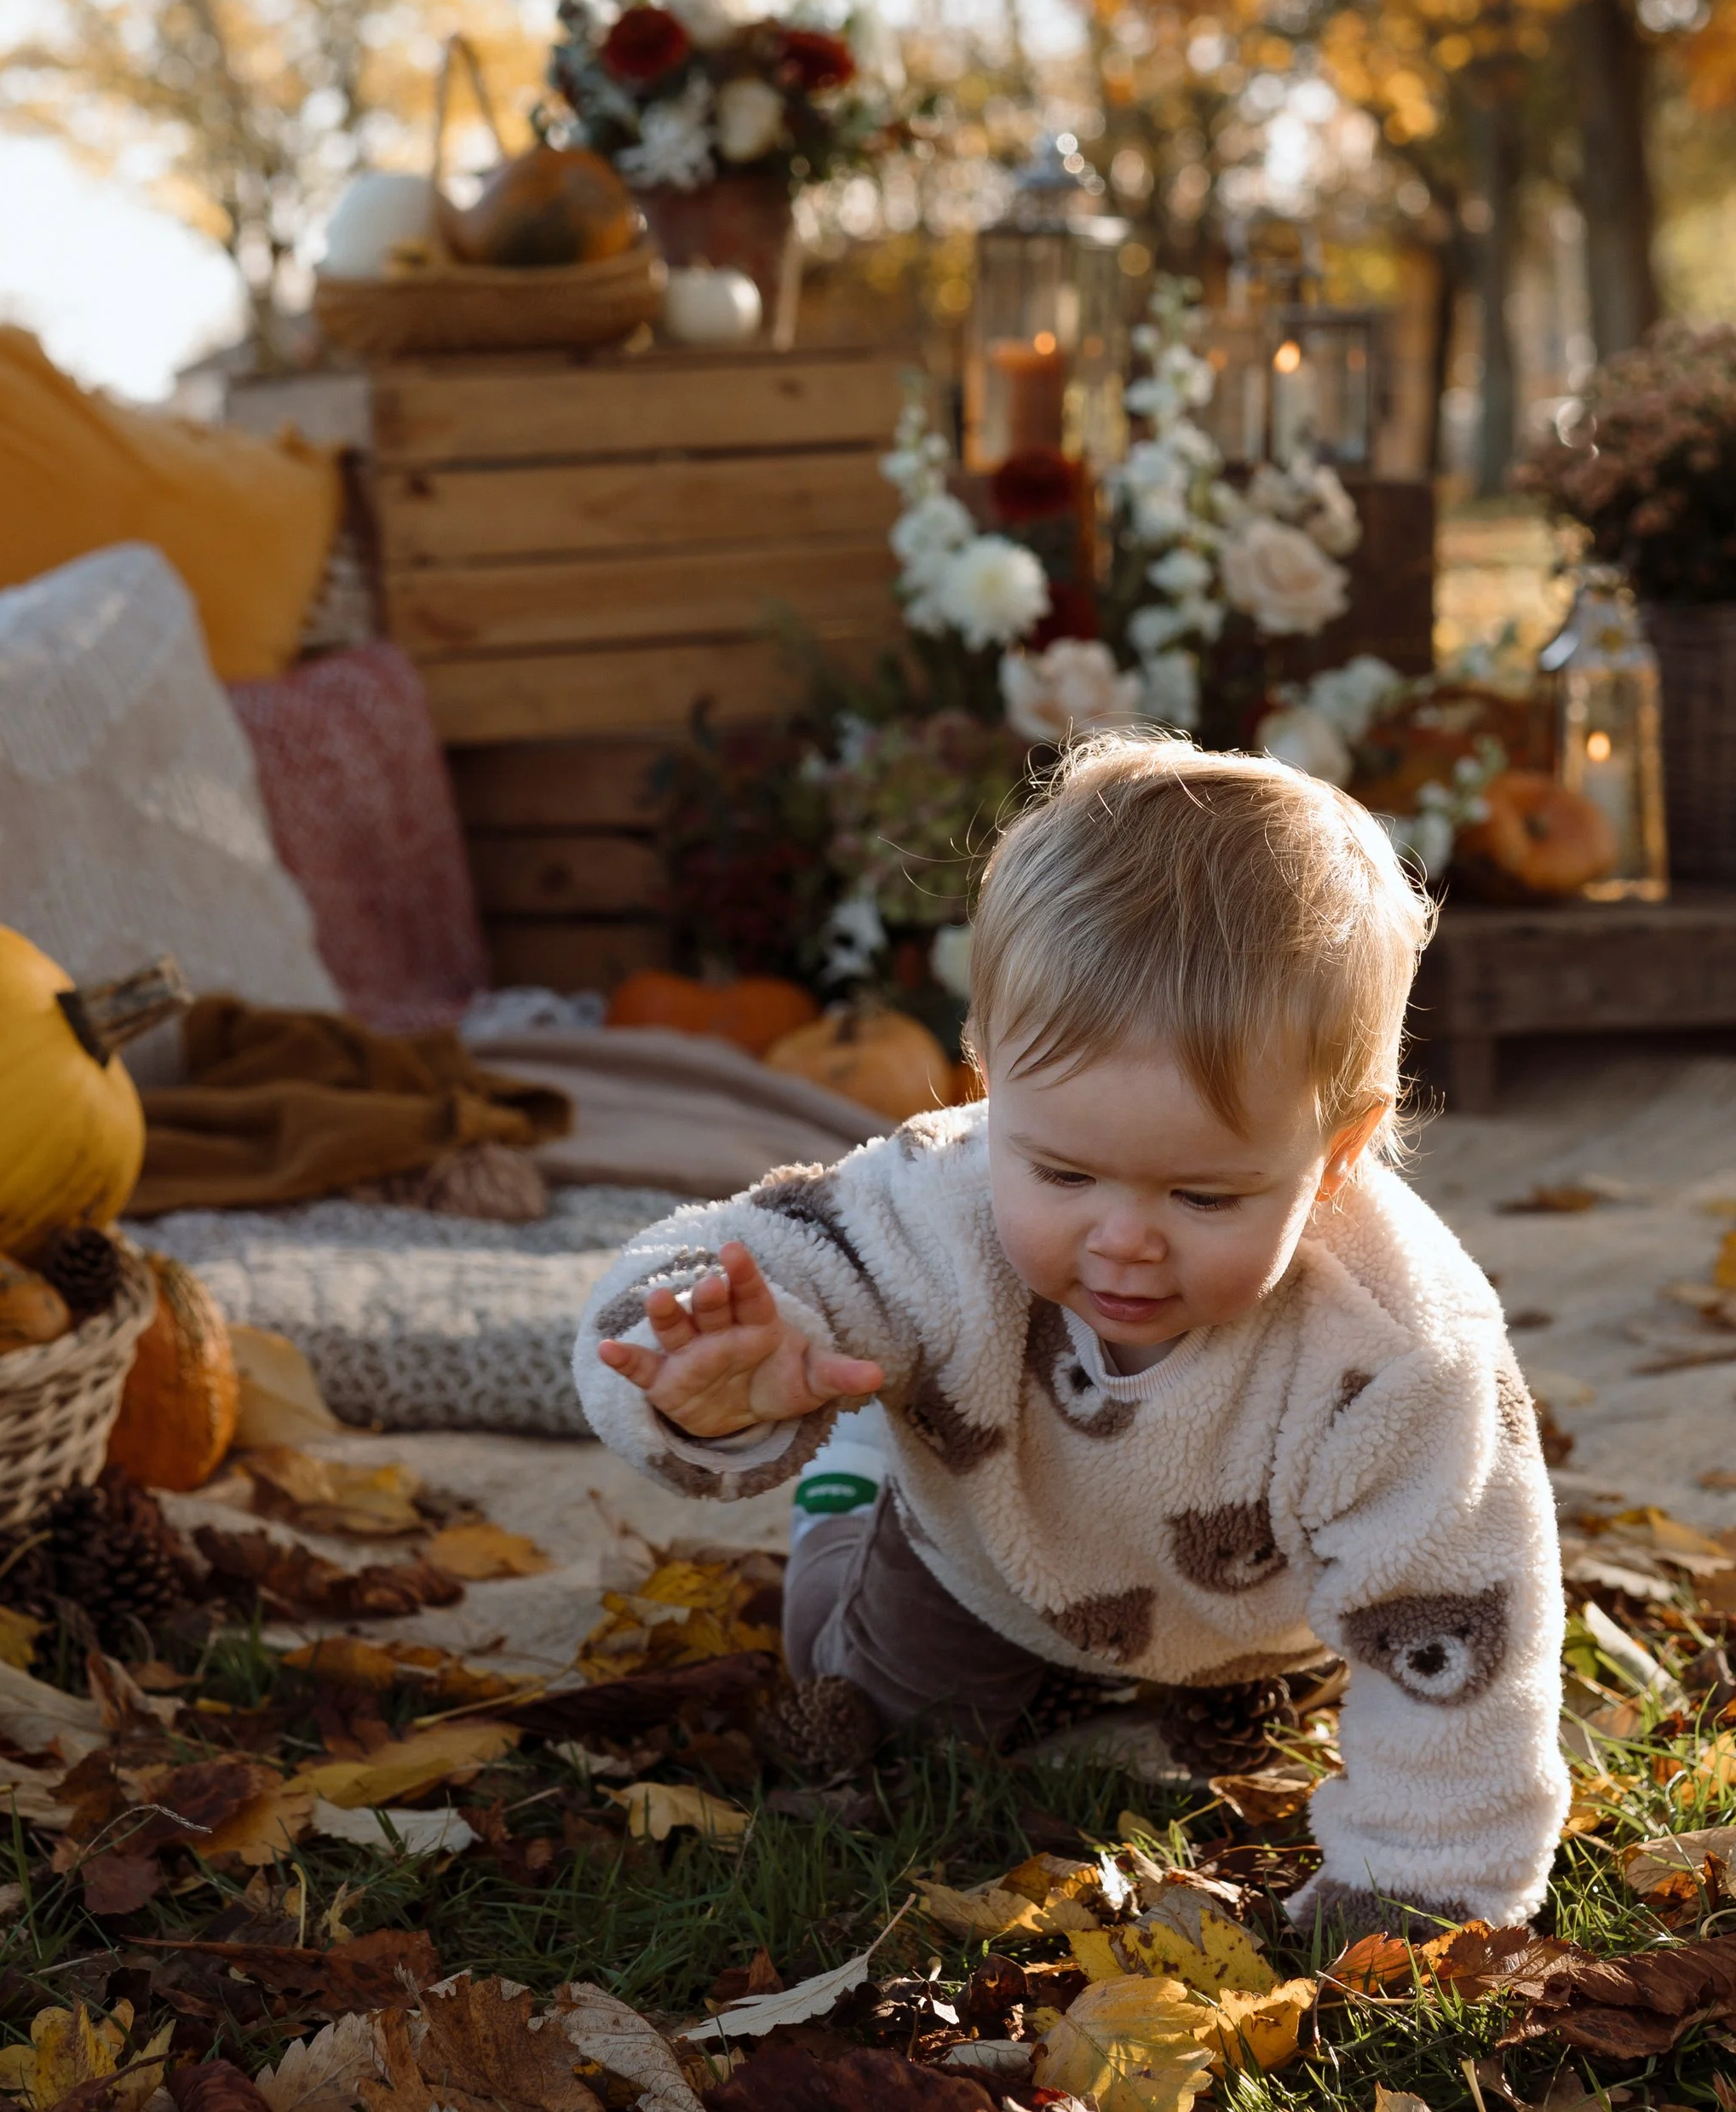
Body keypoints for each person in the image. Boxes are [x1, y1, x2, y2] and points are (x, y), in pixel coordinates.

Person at [575, 733, 1568, 1939]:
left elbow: (1461, 1627)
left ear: (1337, 1153)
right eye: (1061, 1170)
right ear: (987, 1081)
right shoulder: (938, 1203)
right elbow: (736, 1249)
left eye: (1203, 1196)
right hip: (981, 1569)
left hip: (1251, 1624)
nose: (1124, 1240)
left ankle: (1172, 1689)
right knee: (859, 1718)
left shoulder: (1400, 1349)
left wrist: (1422, 1888)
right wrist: (703, 1366)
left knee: (1322, 1681)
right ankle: (852, 1482)